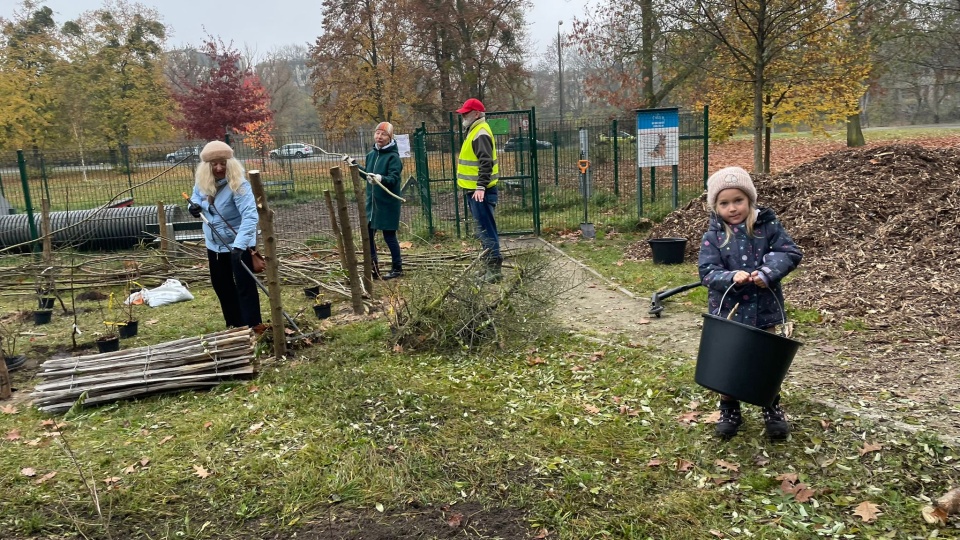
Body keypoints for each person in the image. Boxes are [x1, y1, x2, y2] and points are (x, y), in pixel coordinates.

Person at [698, 166, 803, 440]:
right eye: (724, 203)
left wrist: (767, 272)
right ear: (715, 206)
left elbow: (789, 252)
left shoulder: (767, 227)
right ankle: (729, 407)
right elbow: (707, 272)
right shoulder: (713, 236)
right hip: (728, 312)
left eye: (738, 200)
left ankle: (771, 405)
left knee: (764, 360)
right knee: (728, 361)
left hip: (764, 309)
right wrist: (731, 276)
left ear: (750, 200)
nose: (732, 208)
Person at [187, 140, 262, 329]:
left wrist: (240, 246)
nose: (219, 168)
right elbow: (195, 197)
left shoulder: (239, 186)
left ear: (231, 163)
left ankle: (252, 326)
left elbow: (250, 216)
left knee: (245, 287)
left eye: (223, 163)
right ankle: (235, 326)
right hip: (215, 245)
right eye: (214, 164)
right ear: (207, 166)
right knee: (222, 286)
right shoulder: (203, 182)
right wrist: (193, 207)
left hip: (239, 244)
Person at [342, 122, 404, 279]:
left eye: (383, 134)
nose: (379, 137)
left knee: (389, 236)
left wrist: (380, 178)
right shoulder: (371, 155)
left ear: (390, 138)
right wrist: (354, 165)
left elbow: (393, 179)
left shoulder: (393, 157)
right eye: (377, 133)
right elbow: (367, 175)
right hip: (372, 204)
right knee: (368, 235)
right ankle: (374, 269)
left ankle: (397, 268)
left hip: (388, 204)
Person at [455, 98, 502, 282]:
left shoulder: (480, 132)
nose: (463, 116)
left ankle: (494, 271)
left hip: (480, 191)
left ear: (476, 114)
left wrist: (481, 186)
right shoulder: (474, 130)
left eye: (466, 113)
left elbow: (486, 162)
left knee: (487, 230)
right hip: (474, 190)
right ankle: (487, 267)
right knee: (482, 230)